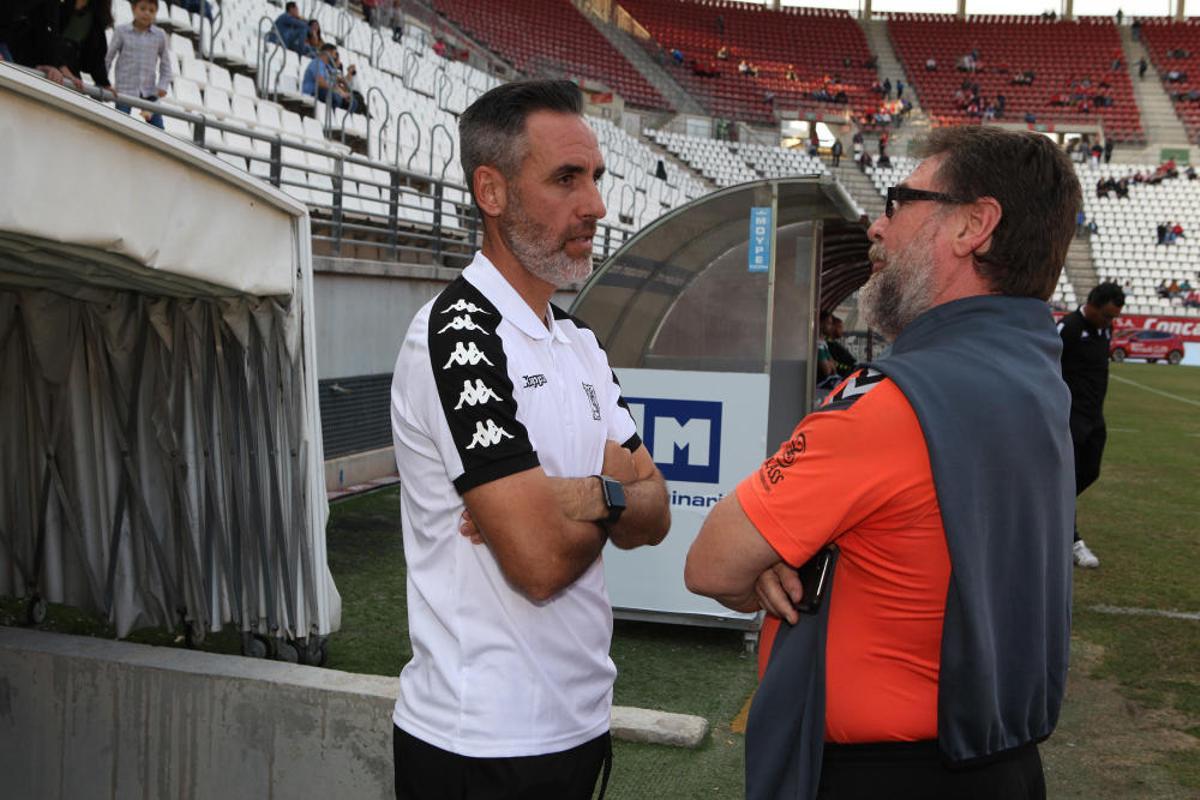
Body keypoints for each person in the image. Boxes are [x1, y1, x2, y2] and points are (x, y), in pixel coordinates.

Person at [686, 126, 1079, 799]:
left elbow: (712, 564)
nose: (877, 225)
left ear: (973, 226)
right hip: (1000, 764)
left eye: (899, 201)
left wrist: (780, 559)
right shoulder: (1033, 373)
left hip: (888, 774)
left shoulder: (897, 398)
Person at [389, 79, 671, 800]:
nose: (596, 205)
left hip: (579, 724)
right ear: (492, 190)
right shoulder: (457, 335)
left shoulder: (579, 342)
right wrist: (615, 494)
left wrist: (584, 496)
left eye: (596, 177)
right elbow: (537, 562)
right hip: (479, 743)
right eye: (566, 179)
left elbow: (657, 513)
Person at [1058, 282, 1124, 570]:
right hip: (1069, 416)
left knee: (1090, 471)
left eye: (1114, 317)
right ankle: (1072, 541)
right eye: (1107, 315)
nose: (1109, 322)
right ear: (1092, 305)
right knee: (1067, 477)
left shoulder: (1104, 329)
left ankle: (1051, 506)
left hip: (1094, 416)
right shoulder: (1069, 328)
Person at [105, 0, 171, 130]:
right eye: (143, 8)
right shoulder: (121, 31)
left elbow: (166, 65)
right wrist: (104, 81)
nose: (147, 13)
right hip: (124, 90)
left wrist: (163, 85)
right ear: (133, 9)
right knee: (121, 127)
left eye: (151, 10)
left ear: (156, 13)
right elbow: (108, 58)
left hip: (149, 91)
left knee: (158, 130)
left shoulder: (160, 35)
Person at [303, 43, 354, 111]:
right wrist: (339, 92)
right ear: (329, 52)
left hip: (325, 92)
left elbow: (338, 81)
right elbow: (321, 83)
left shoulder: (328, 67)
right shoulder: (316, 63)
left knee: (352, 101)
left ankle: (338, 114)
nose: (335, 57)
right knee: (334, 97)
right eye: (334, 54)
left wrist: (349, 74)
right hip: (313, 92)